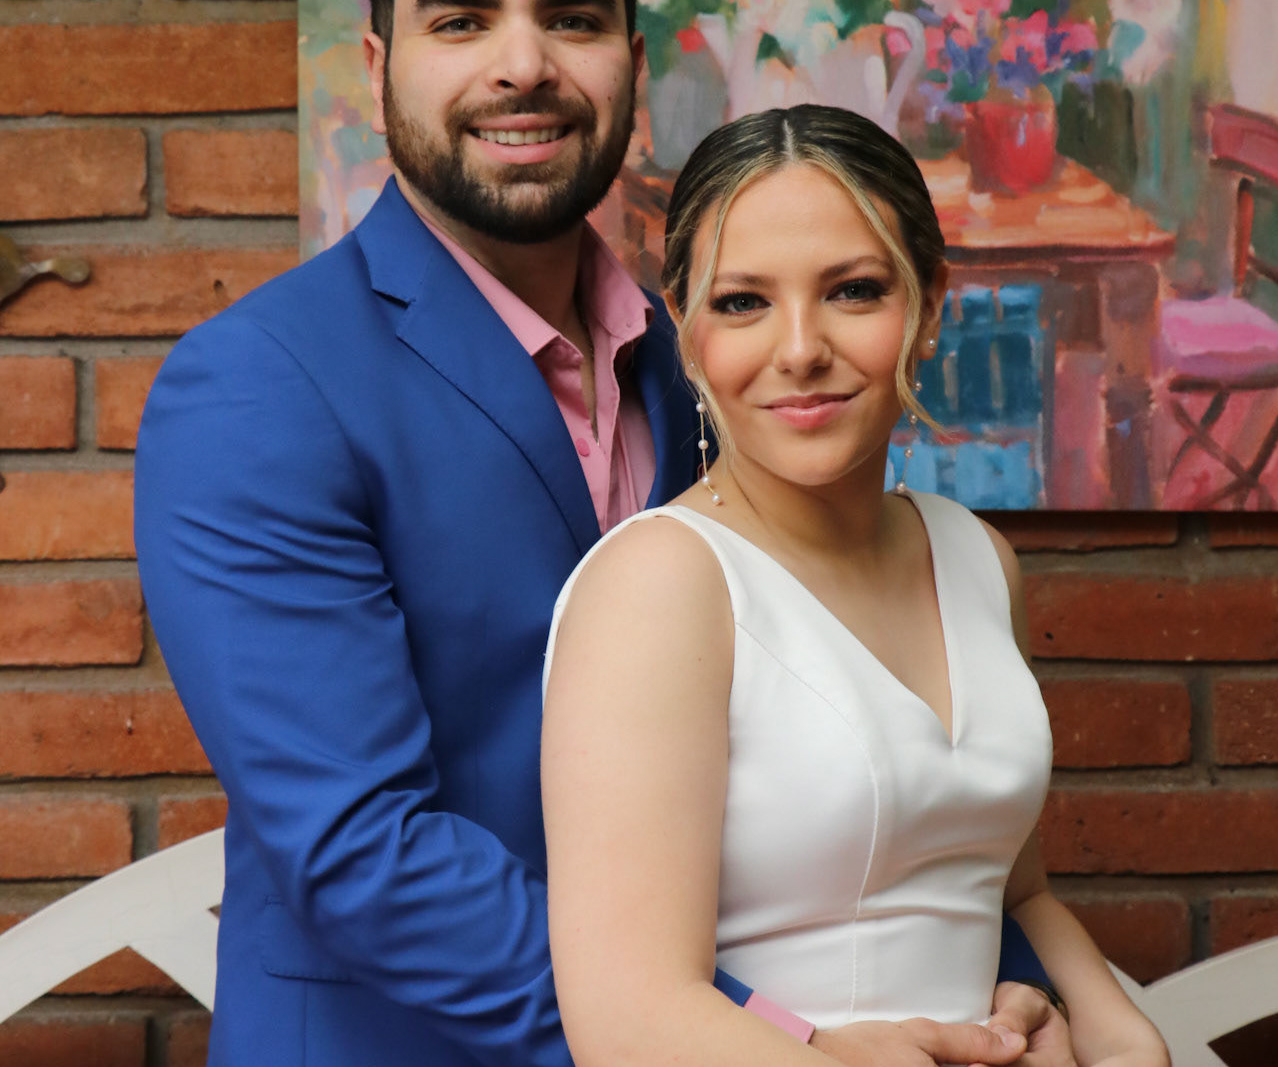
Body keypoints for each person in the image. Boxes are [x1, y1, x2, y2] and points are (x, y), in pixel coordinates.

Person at [134, 1, 1065, 1063]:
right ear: (378, 70)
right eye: (462, 21)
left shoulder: (709, 362)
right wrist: (777, 1038)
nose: (522, 65)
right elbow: (357, 846)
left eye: (572, 19)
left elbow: (852, 786)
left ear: (633, 64)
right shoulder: (259, 385)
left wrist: (1001, 989)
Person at [541, 104, 1172, 1067]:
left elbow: (1011, 888)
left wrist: (1118, 1030)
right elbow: (628, 1019)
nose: (800, 348)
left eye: (853, 290)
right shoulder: (659, 585)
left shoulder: (974, 556)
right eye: (742, 302)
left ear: (928, 306)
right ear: (686, 328)